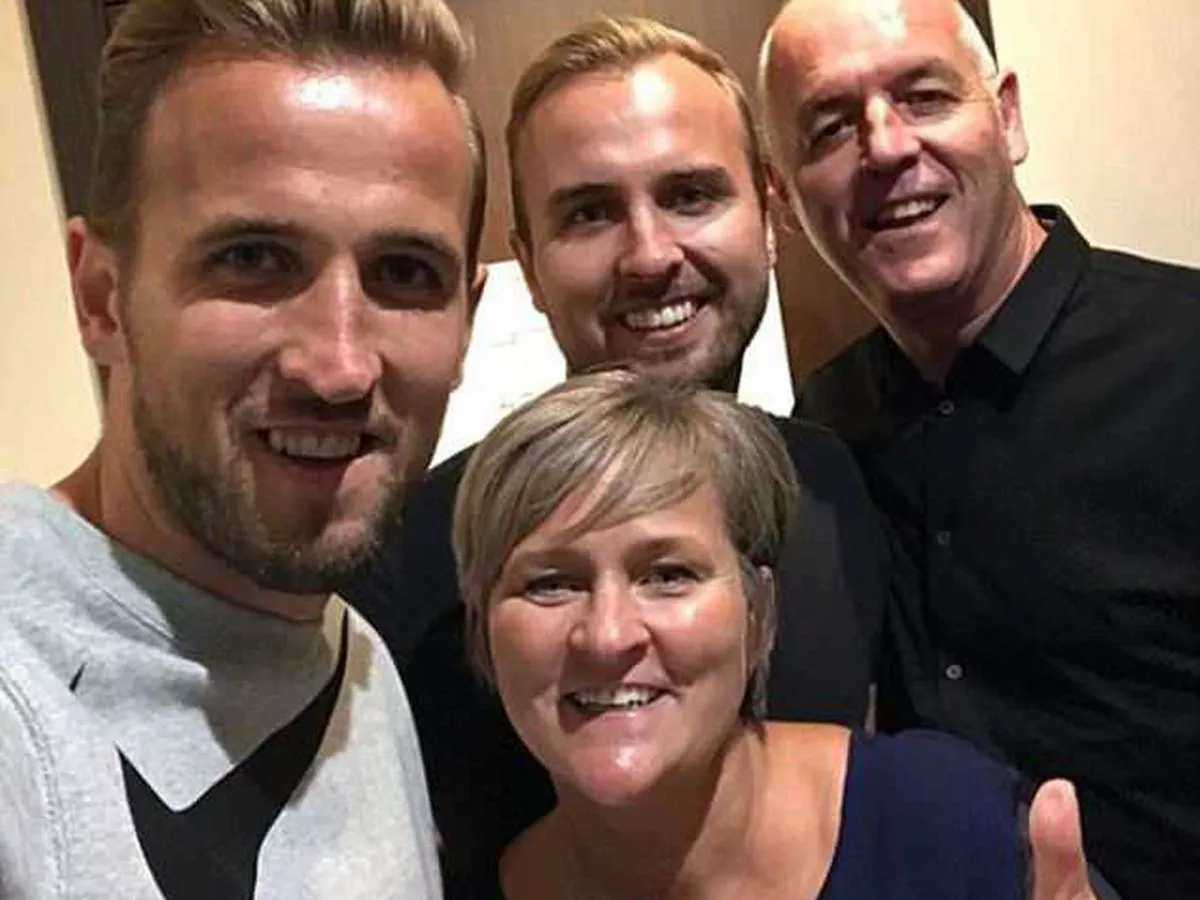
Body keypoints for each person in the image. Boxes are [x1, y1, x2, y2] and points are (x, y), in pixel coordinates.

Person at [344, 17, 888, 897]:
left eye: (691, 195)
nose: (649, 254)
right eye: (590, 213)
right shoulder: (412, 557)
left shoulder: (835, 484)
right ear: (528, 262)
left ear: (769, 215)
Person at [0, 0, 487, 896]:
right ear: (102, 297)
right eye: (253, 259)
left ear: (466, 322)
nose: (338, 367)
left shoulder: (361, 669)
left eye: (405, 274)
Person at [758, 0, 1200, 896]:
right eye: (831, 127)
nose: (885, 147)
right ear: (786, 198)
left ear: (1007, 117)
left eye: (923, 97)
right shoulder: (827, 425)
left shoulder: (1185, 356)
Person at [453, 368, 1102, 900]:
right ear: (483, 633)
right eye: (550, 584)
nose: (607, 635)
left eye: (668, 575)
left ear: (757, 611)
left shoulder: (946, 825)